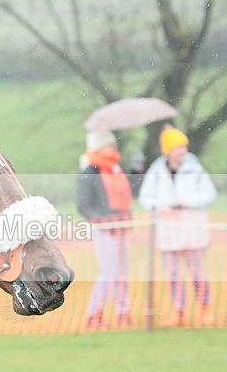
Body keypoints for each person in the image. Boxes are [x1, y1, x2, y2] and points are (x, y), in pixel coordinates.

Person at [138, 126, 217, 327]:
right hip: (168, 231)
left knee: (197, 272)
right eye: (178, 147)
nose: (183, 151)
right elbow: (145, 197)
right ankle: (179, 312)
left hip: (192, 228)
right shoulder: (156, 170)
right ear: (168, 150)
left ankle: (206, 308)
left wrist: (187, 201)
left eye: (184, 146)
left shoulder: (195, 168)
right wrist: (160, 206)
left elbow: (209, 193)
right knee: (173, 274)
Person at [76, 130, 133, 328]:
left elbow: (128, 193)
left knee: (122, 272)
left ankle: (123, 313)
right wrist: (103, 218)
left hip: (121, 226)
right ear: (98, 148)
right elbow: (83, 205)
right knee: (108, 272)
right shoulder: (89, 172)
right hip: (103, 228)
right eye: (107, 146)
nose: (112, 149)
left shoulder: (117, 168)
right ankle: (95, 314)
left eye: (112, 145)